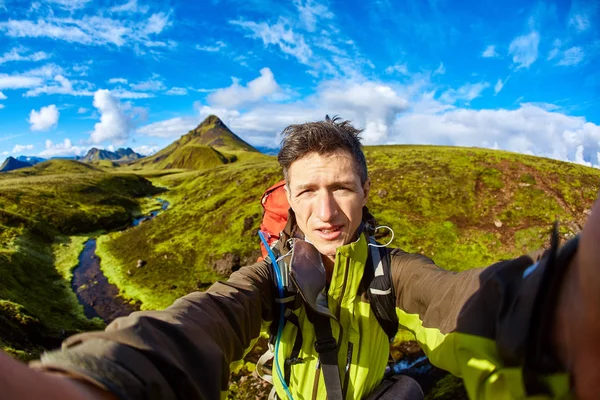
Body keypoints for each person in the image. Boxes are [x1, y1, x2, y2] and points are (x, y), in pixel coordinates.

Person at [1, 116, 600, 400]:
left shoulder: (394, 271)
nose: (327, 210)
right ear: (288, 198)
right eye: (308, 191)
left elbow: (456, 299)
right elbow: (210, 316)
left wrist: (548, 305)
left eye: (342, 188)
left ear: (365, 194)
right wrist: (104, 378)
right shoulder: (273, 273)